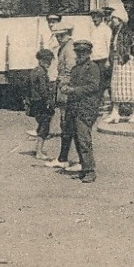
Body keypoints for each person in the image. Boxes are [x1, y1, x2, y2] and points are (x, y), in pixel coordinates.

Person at [53, 38, 99, 182]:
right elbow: (73, 83)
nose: (80, 55)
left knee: (84, 139)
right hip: (74, 108)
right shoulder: (75, 69)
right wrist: (65, 86)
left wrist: (73, 90)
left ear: (89, 53)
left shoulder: (92, 68)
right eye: (78, 53)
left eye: (83, 53)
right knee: (78, 139)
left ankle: (90, 171)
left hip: (86, 108)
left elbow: (93, 87)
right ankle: (84, 167)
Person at [108, 0, 134, 123]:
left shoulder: (126, 31)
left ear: (120, 20)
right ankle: (115, 112)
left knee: (130, 87)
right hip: (118, 62)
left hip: (127, 62)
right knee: (117, 87)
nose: (112, 20)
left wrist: (132, 57)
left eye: (114, 18)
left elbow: (133, 47)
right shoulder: (115, 32)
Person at [24, 48, 55, 159]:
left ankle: (38, 150)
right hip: (41, 103)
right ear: (40, 60)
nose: (49, 63)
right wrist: (49, 101)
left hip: (35, 102)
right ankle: (39, 152)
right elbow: (43, 90)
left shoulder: (35, 71)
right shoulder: (41, 73)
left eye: (50, 61)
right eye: (46, 61)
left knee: (41, 125)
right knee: (44, 127)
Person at [87, 8, 113, 116]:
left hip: (104, 59)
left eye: (96, 17)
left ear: (101, 18)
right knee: (96, 83)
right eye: (93, 17)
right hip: (94, 59)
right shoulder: (92, 30)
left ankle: (113, 105)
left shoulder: (106, 29)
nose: (94, 19)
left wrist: (108, 60)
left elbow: (109, 46)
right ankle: (97, 106)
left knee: (105, 83)